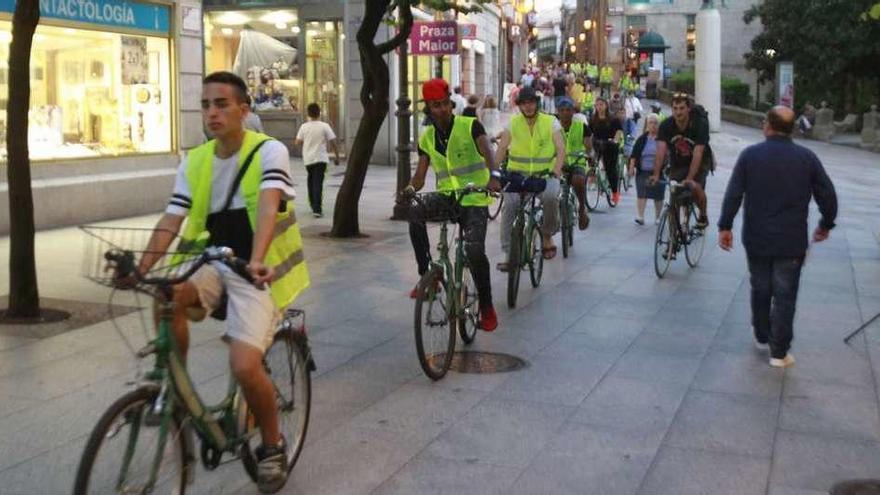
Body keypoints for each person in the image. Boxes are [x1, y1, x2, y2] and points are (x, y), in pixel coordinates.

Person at [137, 71, 309, 493]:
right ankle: (175, 388)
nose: (212, 112)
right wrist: (141, 268)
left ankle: (272, 445)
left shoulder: (269, 151)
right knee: (167, 297)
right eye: (206, 105)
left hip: (258, 273)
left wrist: (257, 259)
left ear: (243, 110)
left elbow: (269, 206)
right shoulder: (195, 161)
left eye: (222, 104)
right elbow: (172, 218)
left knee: (244, 364)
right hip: (213, 262)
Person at [718, 106, 837, 368]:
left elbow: (734, 193)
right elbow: (827, 194)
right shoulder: (806, 158)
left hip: (757, 236)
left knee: (760, 287)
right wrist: (826, 223)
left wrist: (725, 226)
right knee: (785, 294)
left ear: (767, 125)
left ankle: (761, 334)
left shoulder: (750, 156)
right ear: (792, 128)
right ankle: (779, 351)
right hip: (790, 239)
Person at [405, 78, 501, 331]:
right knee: (414, 212)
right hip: (447, 196)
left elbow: (489, 152)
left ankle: (488, 308)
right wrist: (409, 190)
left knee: (474, 250)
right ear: (429, 108)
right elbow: (420, 176)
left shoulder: (470, 125)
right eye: (436, 105)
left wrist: (494, 177)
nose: (442, 109)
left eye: (445, 104)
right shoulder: (426, 138)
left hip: (474, 197)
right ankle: (429, 275)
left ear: (451, 104)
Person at [495, 86, 566, 265]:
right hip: (517, 175)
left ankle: (547, 234)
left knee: (550, 197)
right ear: (519, 106)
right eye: (524, 103)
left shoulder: (551, 122)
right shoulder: (513, 123)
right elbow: (502, 148)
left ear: (537, 103)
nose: (528, 107)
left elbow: (560, 148)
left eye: (531, 102)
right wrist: (493, 173)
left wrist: (556, 171)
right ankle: (508, 251)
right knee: (509, 206)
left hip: (545, 174)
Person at [649, 93, 710, 228]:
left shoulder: (699, 124)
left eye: (682, 108)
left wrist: (689, 178)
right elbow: (660, 151)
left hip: (701, 161)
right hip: (678, 162)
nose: (678, 112)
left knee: (694, 186)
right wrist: (656, 174)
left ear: (688, 109)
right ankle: (672, 240)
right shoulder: (666, 125)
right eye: (675, 108)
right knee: (674, 194)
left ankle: (703, 215)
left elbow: (698, 153)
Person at [295, 103, 341, 218]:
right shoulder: (324, 126)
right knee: (317, 183)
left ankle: (313, 205)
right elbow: (333, 142)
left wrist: (306, 143)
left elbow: (297, 142)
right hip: (321, 159)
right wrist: (337, 156)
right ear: (319, 113)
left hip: (308, 159)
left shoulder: (304, 127)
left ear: (308, 114)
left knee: (311, 181)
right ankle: (317, 208)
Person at [556, 97, 591, 230]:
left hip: (577, 162)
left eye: (568, 110)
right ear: (558, 112)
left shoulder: (582, 126)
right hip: (558, 163)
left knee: (578, 180)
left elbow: (588, 146)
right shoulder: (552, 127)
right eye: (562, 110)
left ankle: (582, 208)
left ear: (573, 112)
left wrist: (590, 155)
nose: (565, 113)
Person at [628, 113, 666, 225]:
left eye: (655, 123)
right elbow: (634, 155)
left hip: (658, 171)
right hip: (643, 170)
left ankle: (658, 217)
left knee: (658, 195)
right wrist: (631, 168)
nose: (653, 125)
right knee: (641, 193)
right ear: (647, 125)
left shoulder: (662, 140)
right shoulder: (642, 139)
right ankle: (640, 216)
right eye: (651, 123)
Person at [587, 97, 624, 204]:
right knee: (591, 161)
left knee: (610, 169)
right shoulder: (593, 118)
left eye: (601, 104)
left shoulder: (613, 119)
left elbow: (618, 131)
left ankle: (615, 192)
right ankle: (592, 179)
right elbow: (589, 133)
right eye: (597, 105)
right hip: (597, 143)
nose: (599, 107)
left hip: (610, 145)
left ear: (606, 105)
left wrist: (615, 140)